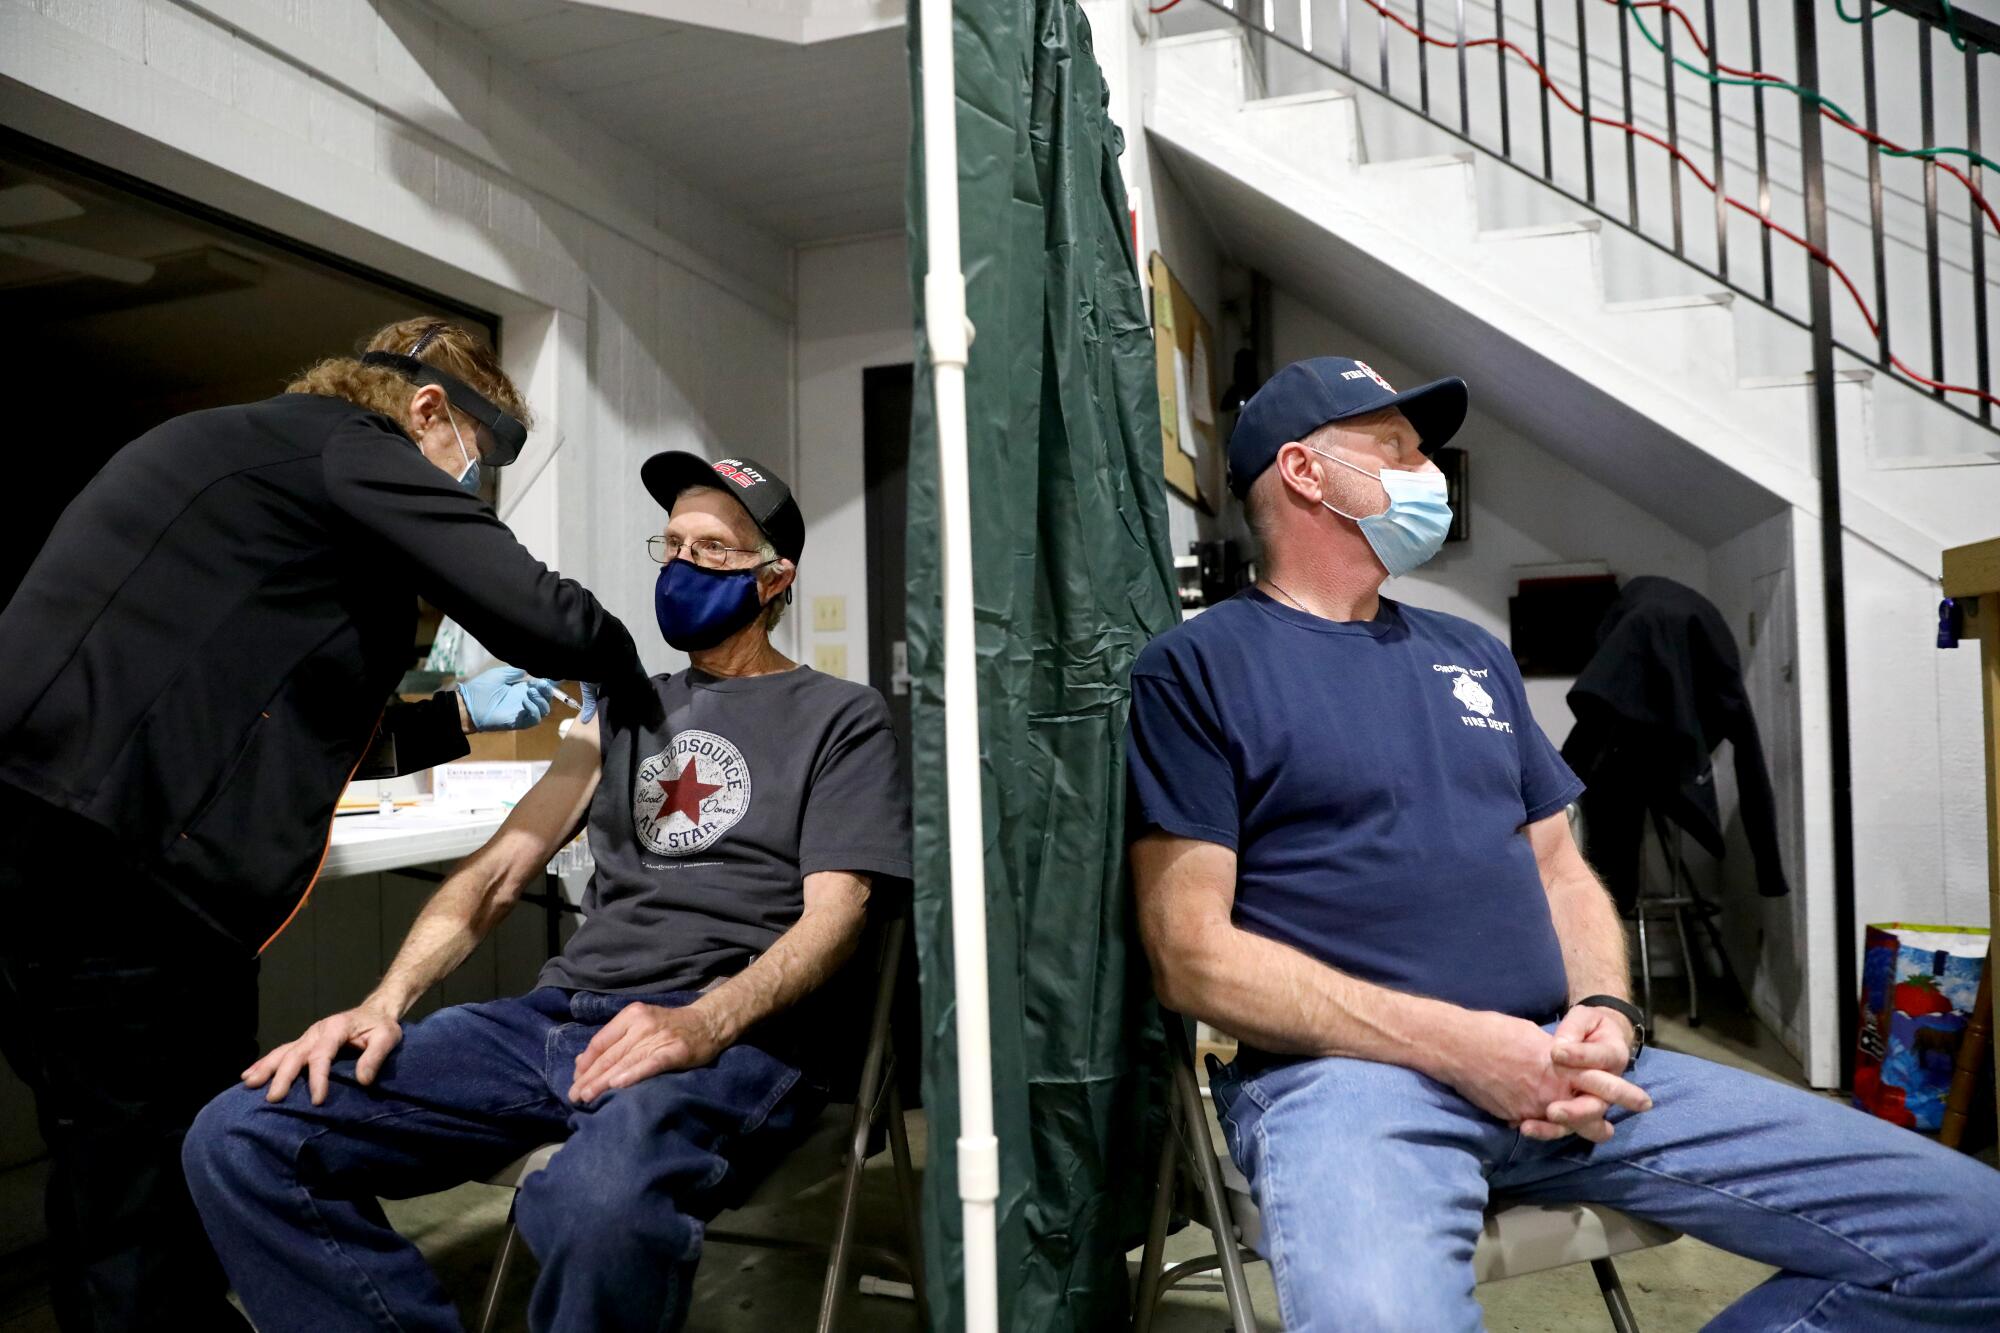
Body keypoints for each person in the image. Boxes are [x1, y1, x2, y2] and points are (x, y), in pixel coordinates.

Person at [1126, 357, 2000, 1331]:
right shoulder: (1196, 668)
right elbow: (1189, 955)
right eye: (1398, 448)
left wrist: (1606, 1009)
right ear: (1301, 470)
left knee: (1973, 1235)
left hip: (1566, 1063)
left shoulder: (1469, 654)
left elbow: (1559, 868)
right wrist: (1458, 1045)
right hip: (1349, 1085)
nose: (1429, 470)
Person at [0, 318, 649, 1332]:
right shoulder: (350, 445)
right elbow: (541, 613)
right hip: (123, 879)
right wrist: (629, 678)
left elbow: (299, 715)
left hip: (43, 852)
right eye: (469, 469)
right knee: (151, 1187)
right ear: (427, 408)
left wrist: (463, 716)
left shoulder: (234, 454)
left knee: (120, 1168)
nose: (466, 498)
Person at [182, 452, 911, 1333]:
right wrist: (383, 1002)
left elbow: (839, 915)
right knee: (238, 1137)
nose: (680, 567)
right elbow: (497, 872)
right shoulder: (624, 707)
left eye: (712, 550)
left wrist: (703, 1022)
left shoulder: (843, 715)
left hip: (725, 1030)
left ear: (774, 578)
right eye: (671, 544)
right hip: (559, 1018)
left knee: (593, 1204)